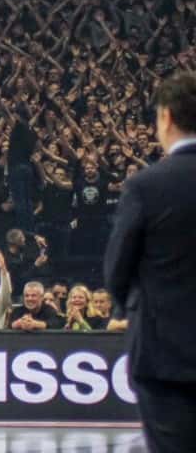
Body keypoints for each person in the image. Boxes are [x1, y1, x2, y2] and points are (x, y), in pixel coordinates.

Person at [105, 72, 196, 453]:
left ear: (166, 117)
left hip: (164, 353)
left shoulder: (146, 186)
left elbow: (117, 268)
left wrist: (127, 306)